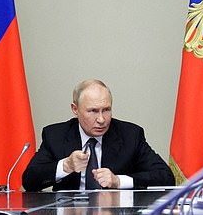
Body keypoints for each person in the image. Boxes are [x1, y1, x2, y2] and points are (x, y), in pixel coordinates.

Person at [22, 79, 174, 191]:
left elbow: (166, 178)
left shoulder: (130, 135)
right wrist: (66, 166)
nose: (101, 119)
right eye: (93, 111)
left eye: (106, 110)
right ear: (75, 109)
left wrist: (118, 181)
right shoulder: (55, 135)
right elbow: (29, 181)